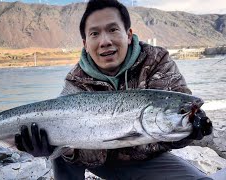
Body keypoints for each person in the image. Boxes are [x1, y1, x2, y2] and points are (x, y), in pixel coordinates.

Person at [14, 0, 213, 179]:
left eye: (112, 29)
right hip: (90, 157)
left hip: (144, 161)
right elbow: (74, 145)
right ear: (85, 43)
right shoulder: (76, 80)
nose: (105, 41)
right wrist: (53, 148)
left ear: (128, 35)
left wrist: (188, 131)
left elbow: (166, 124)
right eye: (94, 33)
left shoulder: (157, 61)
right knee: (60, 152)